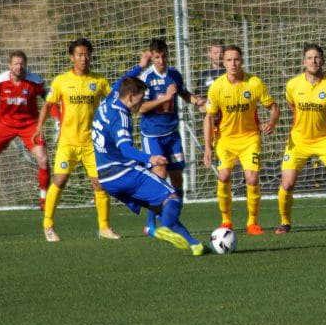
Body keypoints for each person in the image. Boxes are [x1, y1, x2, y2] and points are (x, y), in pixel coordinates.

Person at [92, 77, 204, 255]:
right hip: (123, 172)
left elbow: (122, 80)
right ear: (129, 97)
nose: (142, 103)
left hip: (106, 178)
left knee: (159, 205)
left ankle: (195, 244)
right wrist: (151, 158)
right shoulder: (121, 118)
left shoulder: (110, 99)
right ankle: (165, 227)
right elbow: (126, 149)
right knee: (173, 197)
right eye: (140, 98)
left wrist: (140, 66)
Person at [114, 39, 205, 234]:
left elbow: (184, 93)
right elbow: (140, 108)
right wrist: (164, 98)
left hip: (172, 134)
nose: (161, 60)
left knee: (177, 178)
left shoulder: (174, 75)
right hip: (152, 135)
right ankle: (150, 223)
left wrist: (197, 101)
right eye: (157, 57)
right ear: (152, 57)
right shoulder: (145, 79)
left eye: (164, 56)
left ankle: (172, 220)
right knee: (159, 175)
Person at [33, 38, 117, 242]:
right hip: (67, 142)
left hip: (92, 143)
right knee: (59, 180)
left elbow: (115, 103)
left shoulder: (99, 81)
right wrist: (39, 127)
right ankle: (48, 226)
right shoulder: (61, 81)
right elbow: (47, 104)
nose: (84, 58)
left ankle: (104, 228)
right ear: (72, 57)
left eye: (87, 54)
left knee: (99, 184)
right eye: (79, 54)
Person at [275, 44, 326, 233]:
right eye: (310, 58)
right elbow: (291, 105)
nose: (314, 61)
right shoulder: (293, 84)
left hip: (325, 139)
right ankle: (285, 222)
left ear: (323, 61)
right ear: (304, 62)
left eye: (317, 57)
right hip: (299, 141)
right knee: (287, 184)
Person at [0, 51, 58, 215]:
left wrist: (58, 120)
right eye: (16, 63)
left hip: (30, 125)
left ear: (26, 64)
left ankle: (44, 201)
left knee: (43, 158)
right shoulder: (0, 81)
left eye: (22, 63)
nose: (19, 66)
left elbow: (49, 100)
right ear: (10, 65)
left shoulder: (35, 81)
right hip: (5, 125)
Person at [203, 45, 280, 235]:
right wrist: (207, 148)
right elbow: (209, 117)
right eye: (229, 60)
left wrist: (272, 122)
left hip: (249, 138)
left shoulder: (254, 83)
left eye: (236, 59)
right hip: (225, 140)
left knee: (252, 179)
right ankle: (226, 220)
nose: (233, 63)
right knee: (224, 176)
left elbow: (273, 107)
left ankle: (252, 222)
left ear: (242, 61)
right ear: (223, 62)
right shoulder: (217, 87)